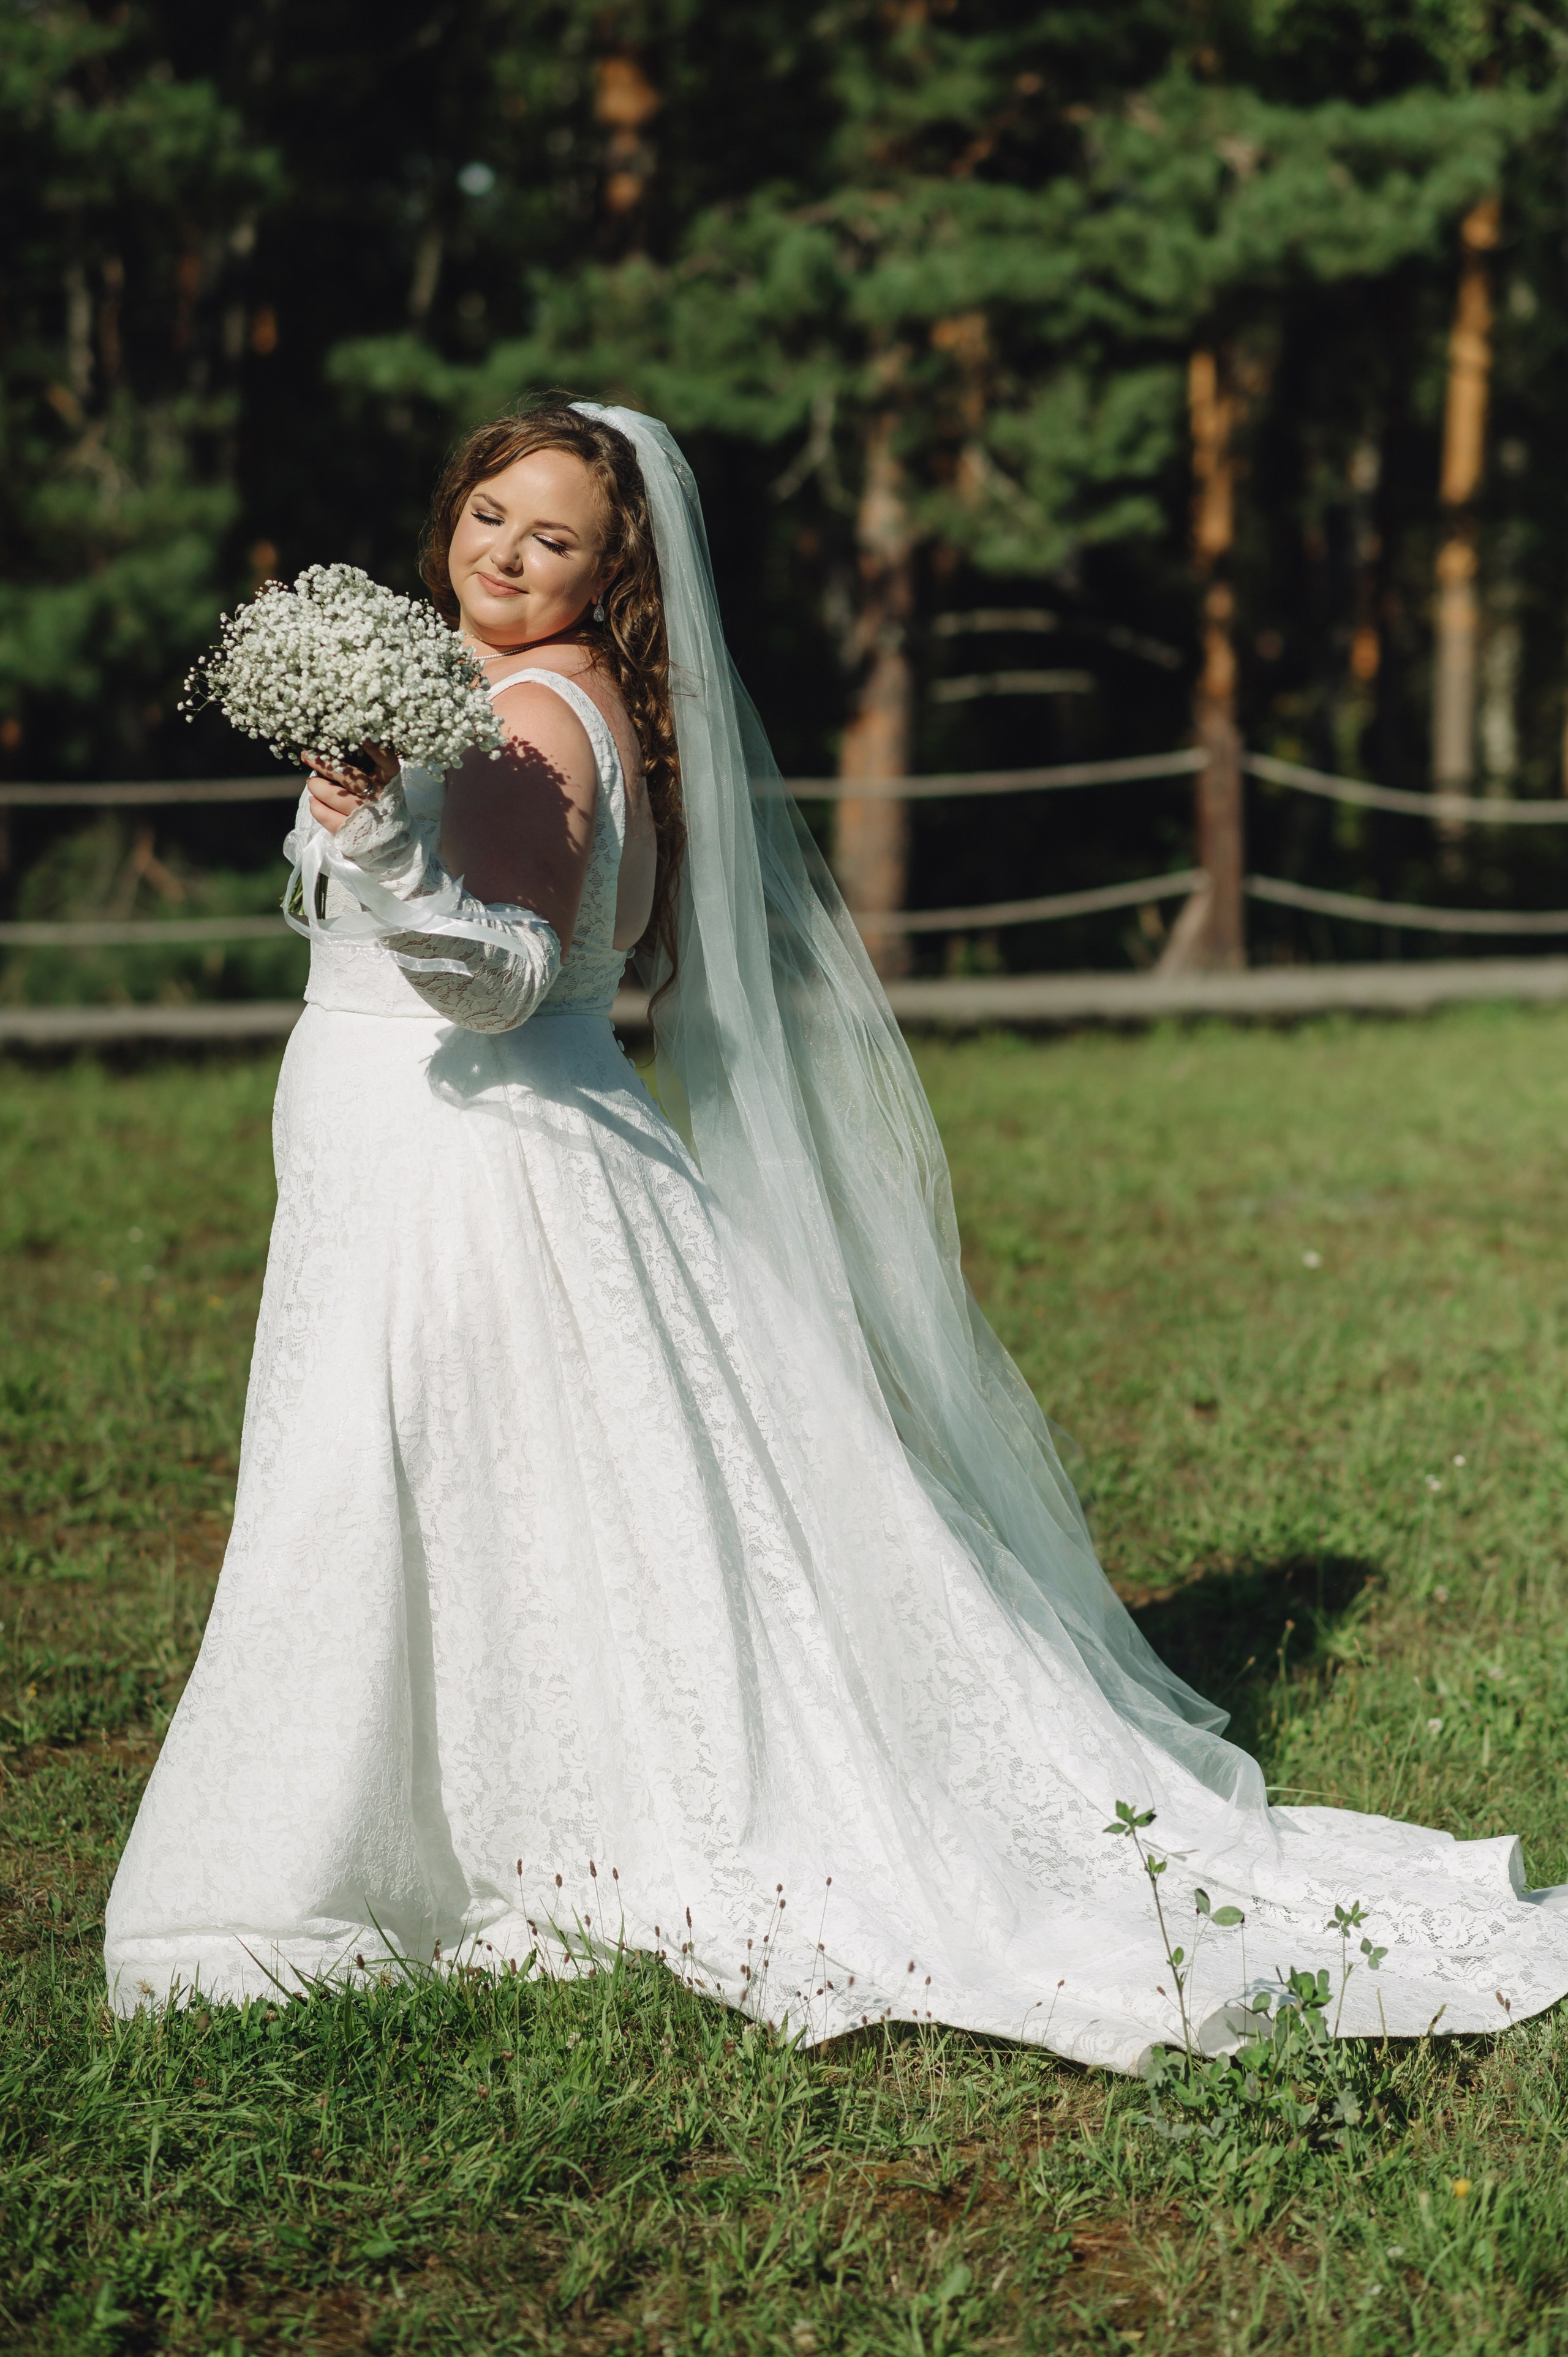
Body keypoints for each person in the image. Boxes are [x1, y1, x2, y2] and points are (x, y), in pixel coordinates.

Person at [104, 402, 1568, 2072]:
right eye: (490, 516)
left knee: (389, 1481)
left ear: (613, 569)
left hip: (468, 1146)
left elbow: (508, 974)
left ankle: (355, 1855)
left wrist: (370, 831)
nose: (506, 556)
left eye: (554, 539)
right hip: (419, 1135)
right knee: (481, 1489)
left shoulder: (528, 713)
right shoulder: (518, 690)